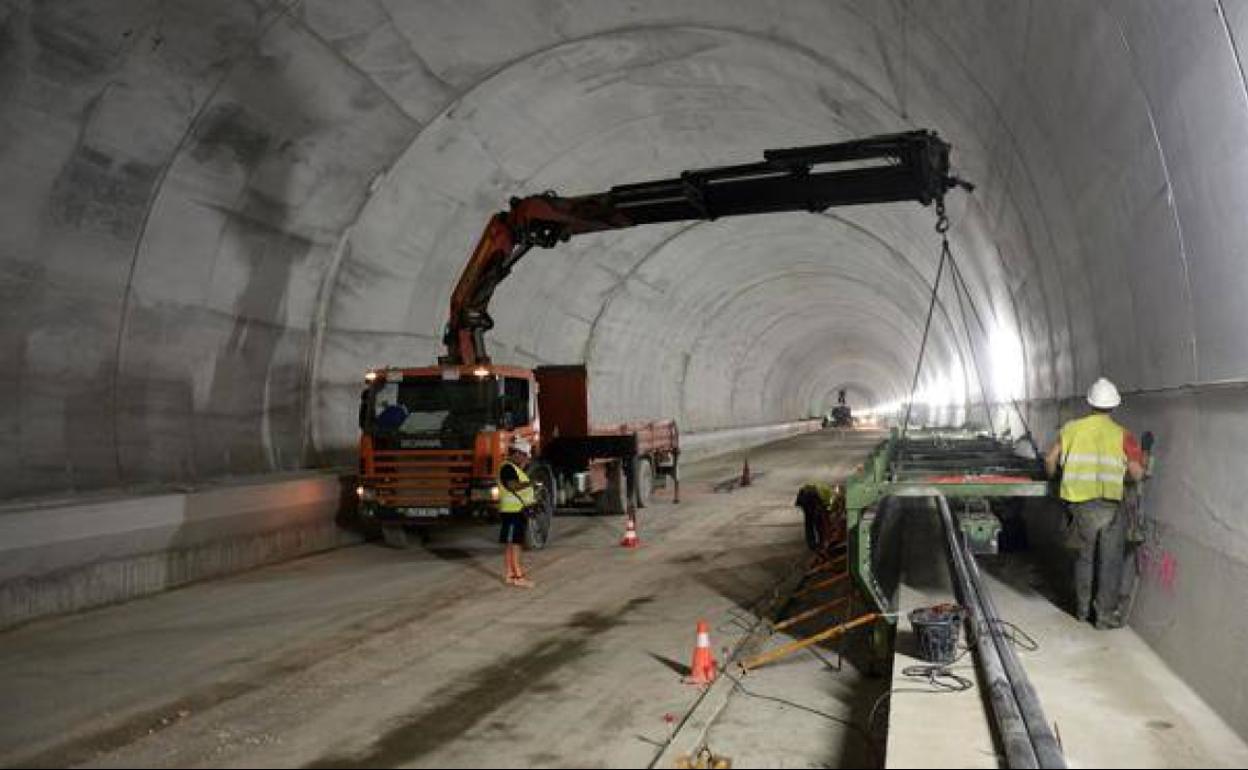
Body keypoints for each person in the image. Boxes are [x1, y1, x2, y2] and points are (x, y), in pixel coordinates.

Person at [1044, 377, 1148, 628]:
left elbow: (1049, 460)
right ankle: (1103, 617)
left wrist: (1055, 479)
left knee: (1084, 558)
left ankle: (1081, 611)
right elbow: (1136, 474)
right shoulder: (1123, 435)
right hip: (1110, 506)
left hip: (1079, 505)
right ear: (1114, 406)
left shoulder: (1070, 429)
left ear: (1089, 402)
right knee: (1110, 561)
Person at [499, 437, 537, 588]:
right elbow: (512, 485)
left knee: (511, 544)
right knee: (515, 544)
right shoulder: (507, 468)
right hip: (512, 512)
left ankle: (509, 574)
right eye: (525, 455)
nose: (526, 459)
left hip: (516, 511)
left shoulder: (513, 468)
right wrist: (530, 483)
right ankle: (518, 576)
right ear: (518, 453)